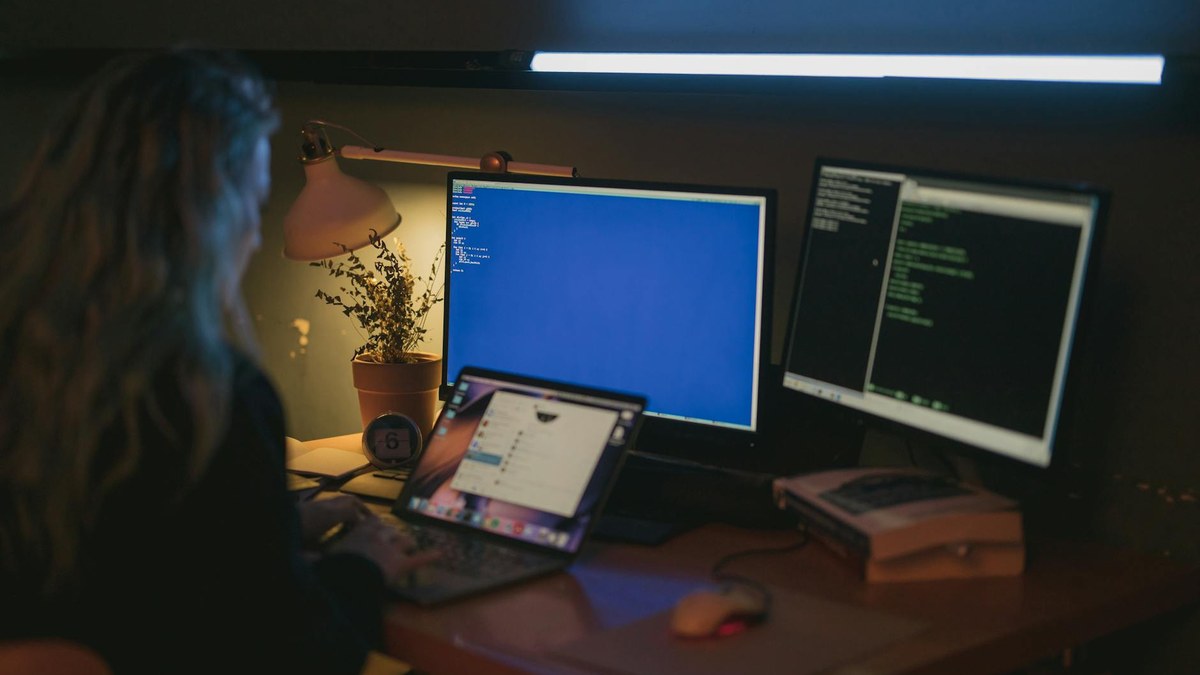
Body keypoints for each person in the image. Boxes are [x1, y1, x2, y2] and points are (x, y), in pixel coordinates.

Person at [0, 48, 436, 674]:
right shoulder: (207, 394)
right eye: (254, 206)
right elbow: (303, 657)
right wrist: (363, 561)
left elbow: (128, 549)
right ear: (209, 214)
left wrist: (273, 527)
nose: (256, 236)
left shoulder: (32, 350)